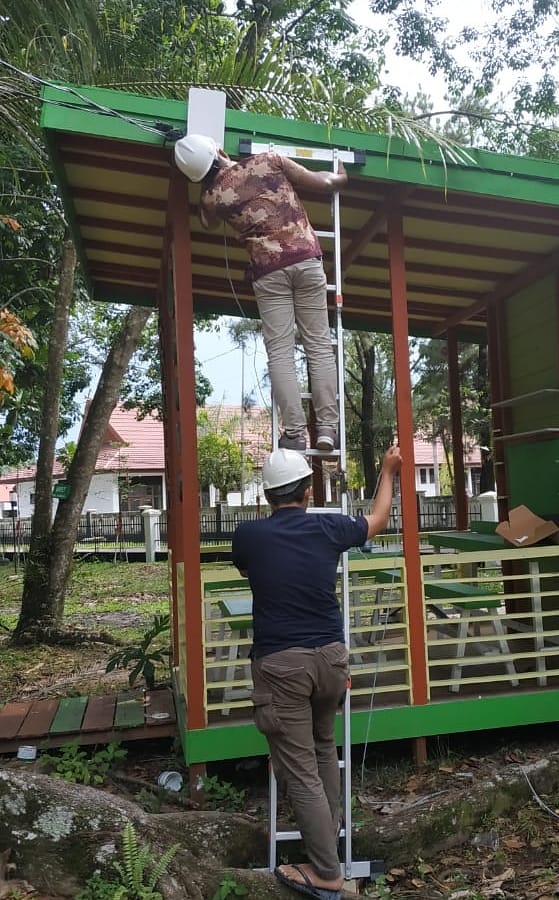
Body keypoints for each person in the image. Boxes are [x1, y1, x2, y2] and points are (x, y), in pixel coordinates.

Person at [231, 445, 403, 900]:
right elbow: (378, 520)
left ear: (267, 495)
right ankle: (331, 831)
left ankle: (327, 871)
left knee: (301, 769)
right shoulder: (328, 527)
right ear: (308, 491)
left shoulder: (248, 537)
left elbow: (250, 569)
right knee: (324, 746)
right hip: (331, 661)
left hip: (282, 665)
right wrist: (388, 470)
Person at [173, 134, 348, 454]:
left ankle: (295, 434)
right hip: (306, 260)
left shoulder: (211, 199)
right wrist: (339, 175)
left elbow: (207, 222)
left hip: (268, 274)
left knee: (280, 353)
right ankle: (327, 428)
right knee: (319, 347)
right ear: (219, 150)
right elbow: (323, 183)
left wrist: (204, 181)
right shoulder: (270, 161)